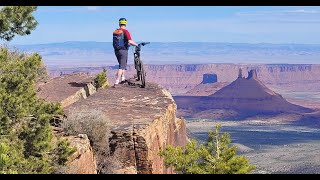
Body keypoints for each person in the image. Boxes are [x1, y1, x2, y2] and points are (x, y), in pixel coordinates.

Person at [112, 18, 139, 87]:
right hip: (123, 50)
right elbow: (130, 41)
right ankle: (117, 81)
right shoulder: (126, 31)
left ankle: (123, 78)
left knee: (122, 64)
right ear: (125, 24)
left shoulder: (116, 31)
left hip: (116, 50)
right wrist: (136, 45)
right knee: (122, 66)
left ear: (119, 23)